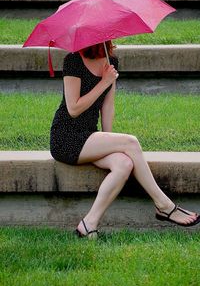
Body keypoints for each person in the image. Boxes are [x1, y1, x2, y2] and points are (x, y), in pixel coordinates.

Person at [50, 41, 200, 238]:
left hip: (91, 137)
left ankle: (88, 224)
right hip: (66, 137)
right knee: (131, 142)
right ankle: (164, 205)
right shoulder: (73, 61)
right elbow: (74, 108)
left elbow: (108, 106)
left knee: (124, 163)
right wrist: (104, 81)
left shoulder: (111, 62)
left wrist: (109, 142)